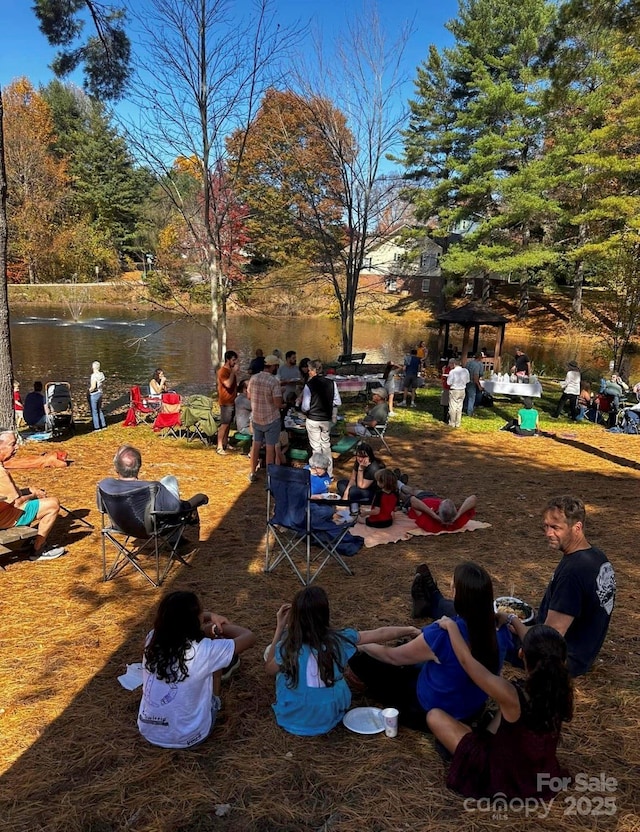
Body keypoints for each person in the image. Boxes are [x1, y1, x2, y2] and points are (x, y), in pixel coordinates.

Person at [412, 496, 616, 678]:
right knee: (493, 613)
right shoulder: (596, 557)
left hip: (559, 659)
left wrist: (513, 622)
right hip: (581, 651)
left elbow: (547, 642)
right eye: (545, 526)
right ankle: (433, 600)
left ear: (577, 527)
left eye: (556, 527)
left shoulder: (573, 573)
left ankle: (433, 601)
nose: (548, 533)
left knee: (479, 617)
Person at [348, 563, 513, 731]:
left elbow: (392, 657)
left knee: (360, 660)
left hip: (429, 712)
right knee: (423, 663)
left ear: (455, 593)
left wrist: (363, 646)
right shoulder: (501, 629)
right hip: (471, 709)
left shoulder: (443, 633)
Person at [429, 623, 573, 799]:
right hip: (538, 768)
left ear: (521, 654)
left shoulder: (511, 695)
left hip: (503, 774)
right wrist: (512, 619)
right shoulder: (560, 686)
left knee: (434, 716)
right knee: (498, 715)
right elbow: (538, 644)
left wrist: (451, 627)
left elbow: (467, 661)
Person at [264, 585, 419, 736]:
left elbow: (269, 669)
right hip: (330, 715)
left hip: (291, 717)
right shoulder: (339, 640)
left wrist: (280, 628)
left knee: (274, 660)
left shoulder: (287, 647)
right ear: (325, 614)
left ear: (295, 616)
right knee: (344, 661)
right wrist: (410, 629)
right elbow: (381, 633)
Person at [138, 590, 256, 748]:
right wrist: (221, 627)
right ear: (194, 620)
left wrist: (209, 617)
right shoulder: (204, 650)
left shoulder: (152, 638)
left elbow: (189, 628)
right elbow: (249, 637)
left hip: (149, 731)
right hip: (191, 736)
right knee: (215, 660)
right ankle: (216, 699)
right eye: (201, 611)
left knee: (211, 655)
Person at [0, 428, 65, 560]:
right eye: (12, 444)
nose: (17, 447)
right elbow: (17, 502)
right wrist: (34, 495)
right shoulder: (1, 473)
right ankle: (38, 550)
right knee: (53, 504)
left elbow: (10, 494)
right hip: (4, 518)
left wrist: (30, 491)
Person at [99, 444, 207, 518]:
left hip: (122, 526)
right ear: (139, 466)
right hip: (149, 528)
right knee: (170, 479)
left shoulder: (105, 485)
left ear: (116, 468)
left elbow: (102, 508)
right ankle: (175, 538)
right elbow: (175, 508)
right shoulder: (152, 488)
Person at [300, 360, 341, 477]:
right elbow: (337, 401)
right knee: (326, 445)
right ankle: (329, 472)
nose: (308, 373)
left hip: (313, 419)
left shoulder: (309, 385)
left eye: (309, 370)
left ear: (313, 371)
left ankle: (318, 473)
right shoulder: (331, 383)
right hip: (326, 420)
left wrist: (304, 409)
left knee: (316, 447)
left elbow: (305, 406)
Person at [247, 355, 283, 483]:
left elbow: (249, 396)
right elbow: (278, 403)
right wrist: (284, 404)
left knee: (255, 445)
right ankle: (269, 475)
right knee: (270, 448)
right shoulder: (274, 382)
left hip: (256, 417)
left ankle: (252, 472)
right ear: (273, 366)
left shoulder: (253, 378)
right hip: (271, 419)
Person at [404, 489, 477, 534]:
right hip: (431, 497)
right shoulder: (458, 521)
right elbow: (473, 498)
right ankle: (400, 484)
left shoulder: (430, 524)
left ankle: (398, 484)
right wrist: (458, 515)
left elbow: (413, 500)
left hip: (418, 501)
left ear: (439, 511)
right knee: (414, 490)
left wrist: (433, 515)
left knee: (406, 494)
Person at [216, 350, 238, 455]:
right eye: (233, 360)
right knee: (224, 424)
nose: (235, 362)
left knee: (228, 424)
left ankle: (225, 443)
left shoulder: (230, 372)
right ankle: (219, 446)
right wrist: (233, 373)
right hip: (225, 402)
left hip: (232, 401)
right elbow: (228, 384)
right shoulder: (222, 371)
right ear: (228, 360)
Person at [445, 359, 469, 428]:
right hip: (462, 390)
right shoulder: (466, 371)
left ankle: (452, 422)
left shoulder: (452, 372)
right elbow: (467, 381)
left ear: (454, 364)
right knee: (459, 406)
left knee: (453, 407)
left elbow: (448, 382)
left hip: (454, 390)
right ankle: (458, 423)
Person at [464, 353, 484, 417]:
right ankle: (470, 412)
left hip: (465, 381)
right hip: (472, 382)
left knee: (466, 396)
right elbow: (476, 377)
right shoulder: (477, 365)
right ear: (480, 358)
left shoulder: (468, 363)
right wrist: (479, 386)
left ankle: (465, 407)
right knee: (472, 397)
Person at [89, 360, 106, 431]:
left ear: (93, 367)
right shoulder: (101, 375)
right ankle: (103, 425)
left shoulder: (94, 376)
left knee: (94, 411)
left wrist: (89, 391)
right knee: (99, 409)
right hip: (100, 393)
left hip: (94, 394)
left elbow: (93, 387)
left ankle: (97, 427)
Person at [440, 358, 455, 424]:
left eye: (452, 363)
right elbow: (443, 378)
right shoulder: (447, 369)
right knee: (445, 404)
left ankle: (451, 418)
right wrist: (443, 372)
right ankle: (445, 417)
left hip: (453, 388)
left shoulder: (456, 370)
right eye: (449, 363)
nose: (450, 364)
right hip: (446, 388)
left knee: (452, 405)